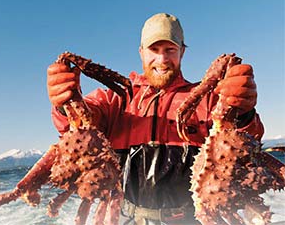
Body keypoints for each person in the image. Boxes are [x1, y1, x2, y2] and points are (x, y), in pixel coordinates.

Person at [47, 13, 264, 225]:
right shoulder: (114, 99)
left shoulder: (208, 100)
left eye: (170, 49)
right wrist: (65, 104)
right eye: (154, 49)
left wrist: (242, 110)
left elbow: (246, 146)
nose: (162, 59)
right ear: (141, 52)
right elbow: (80, 127)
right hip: (126, 217)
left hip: (194, 218)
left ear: (182, 52)